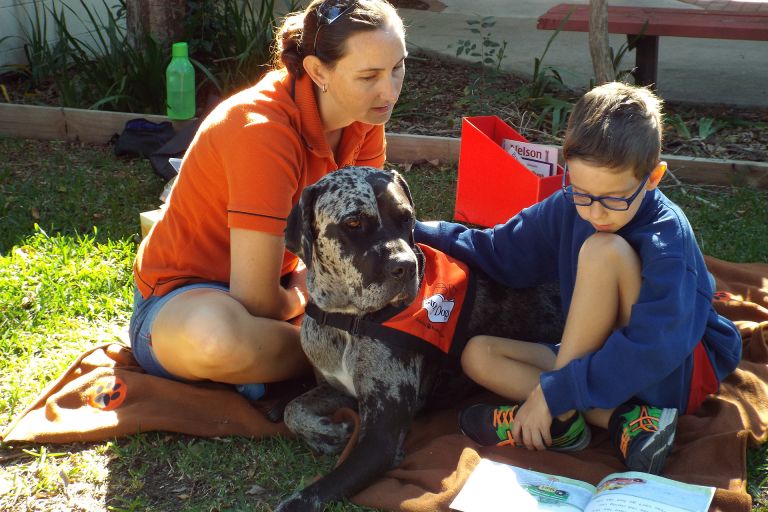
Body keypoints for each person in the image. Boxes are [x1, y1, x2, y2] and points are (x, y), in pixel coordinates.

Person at [414, 82, 742, 474]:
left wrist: (553, 391)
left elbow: (656, 345)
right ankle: (619, 421)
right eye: (583, 193)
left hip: (672, 372)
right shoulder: (571, 203)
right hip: (598, 358)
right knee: (478, 354)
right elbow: (499, 251)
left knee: (603, 249)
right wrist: (410, 229)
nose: (596, 213)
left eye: (614, 199)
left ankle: (558, 406)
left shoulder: (668, 237)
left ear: (653, 178)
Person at [129, 0, 407, 401]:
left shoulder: (364, 114)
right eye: (369, 76)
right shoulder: (261, 132)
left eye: (397, 68)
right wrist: (311, 297)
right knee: (216, 340)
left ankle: (301, 363)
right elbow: (255, 299)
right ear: (316, 71)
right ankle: (349, 359)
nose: (389, 91)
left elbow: (365, 241)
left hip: (282, 285)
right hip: (186, 298)